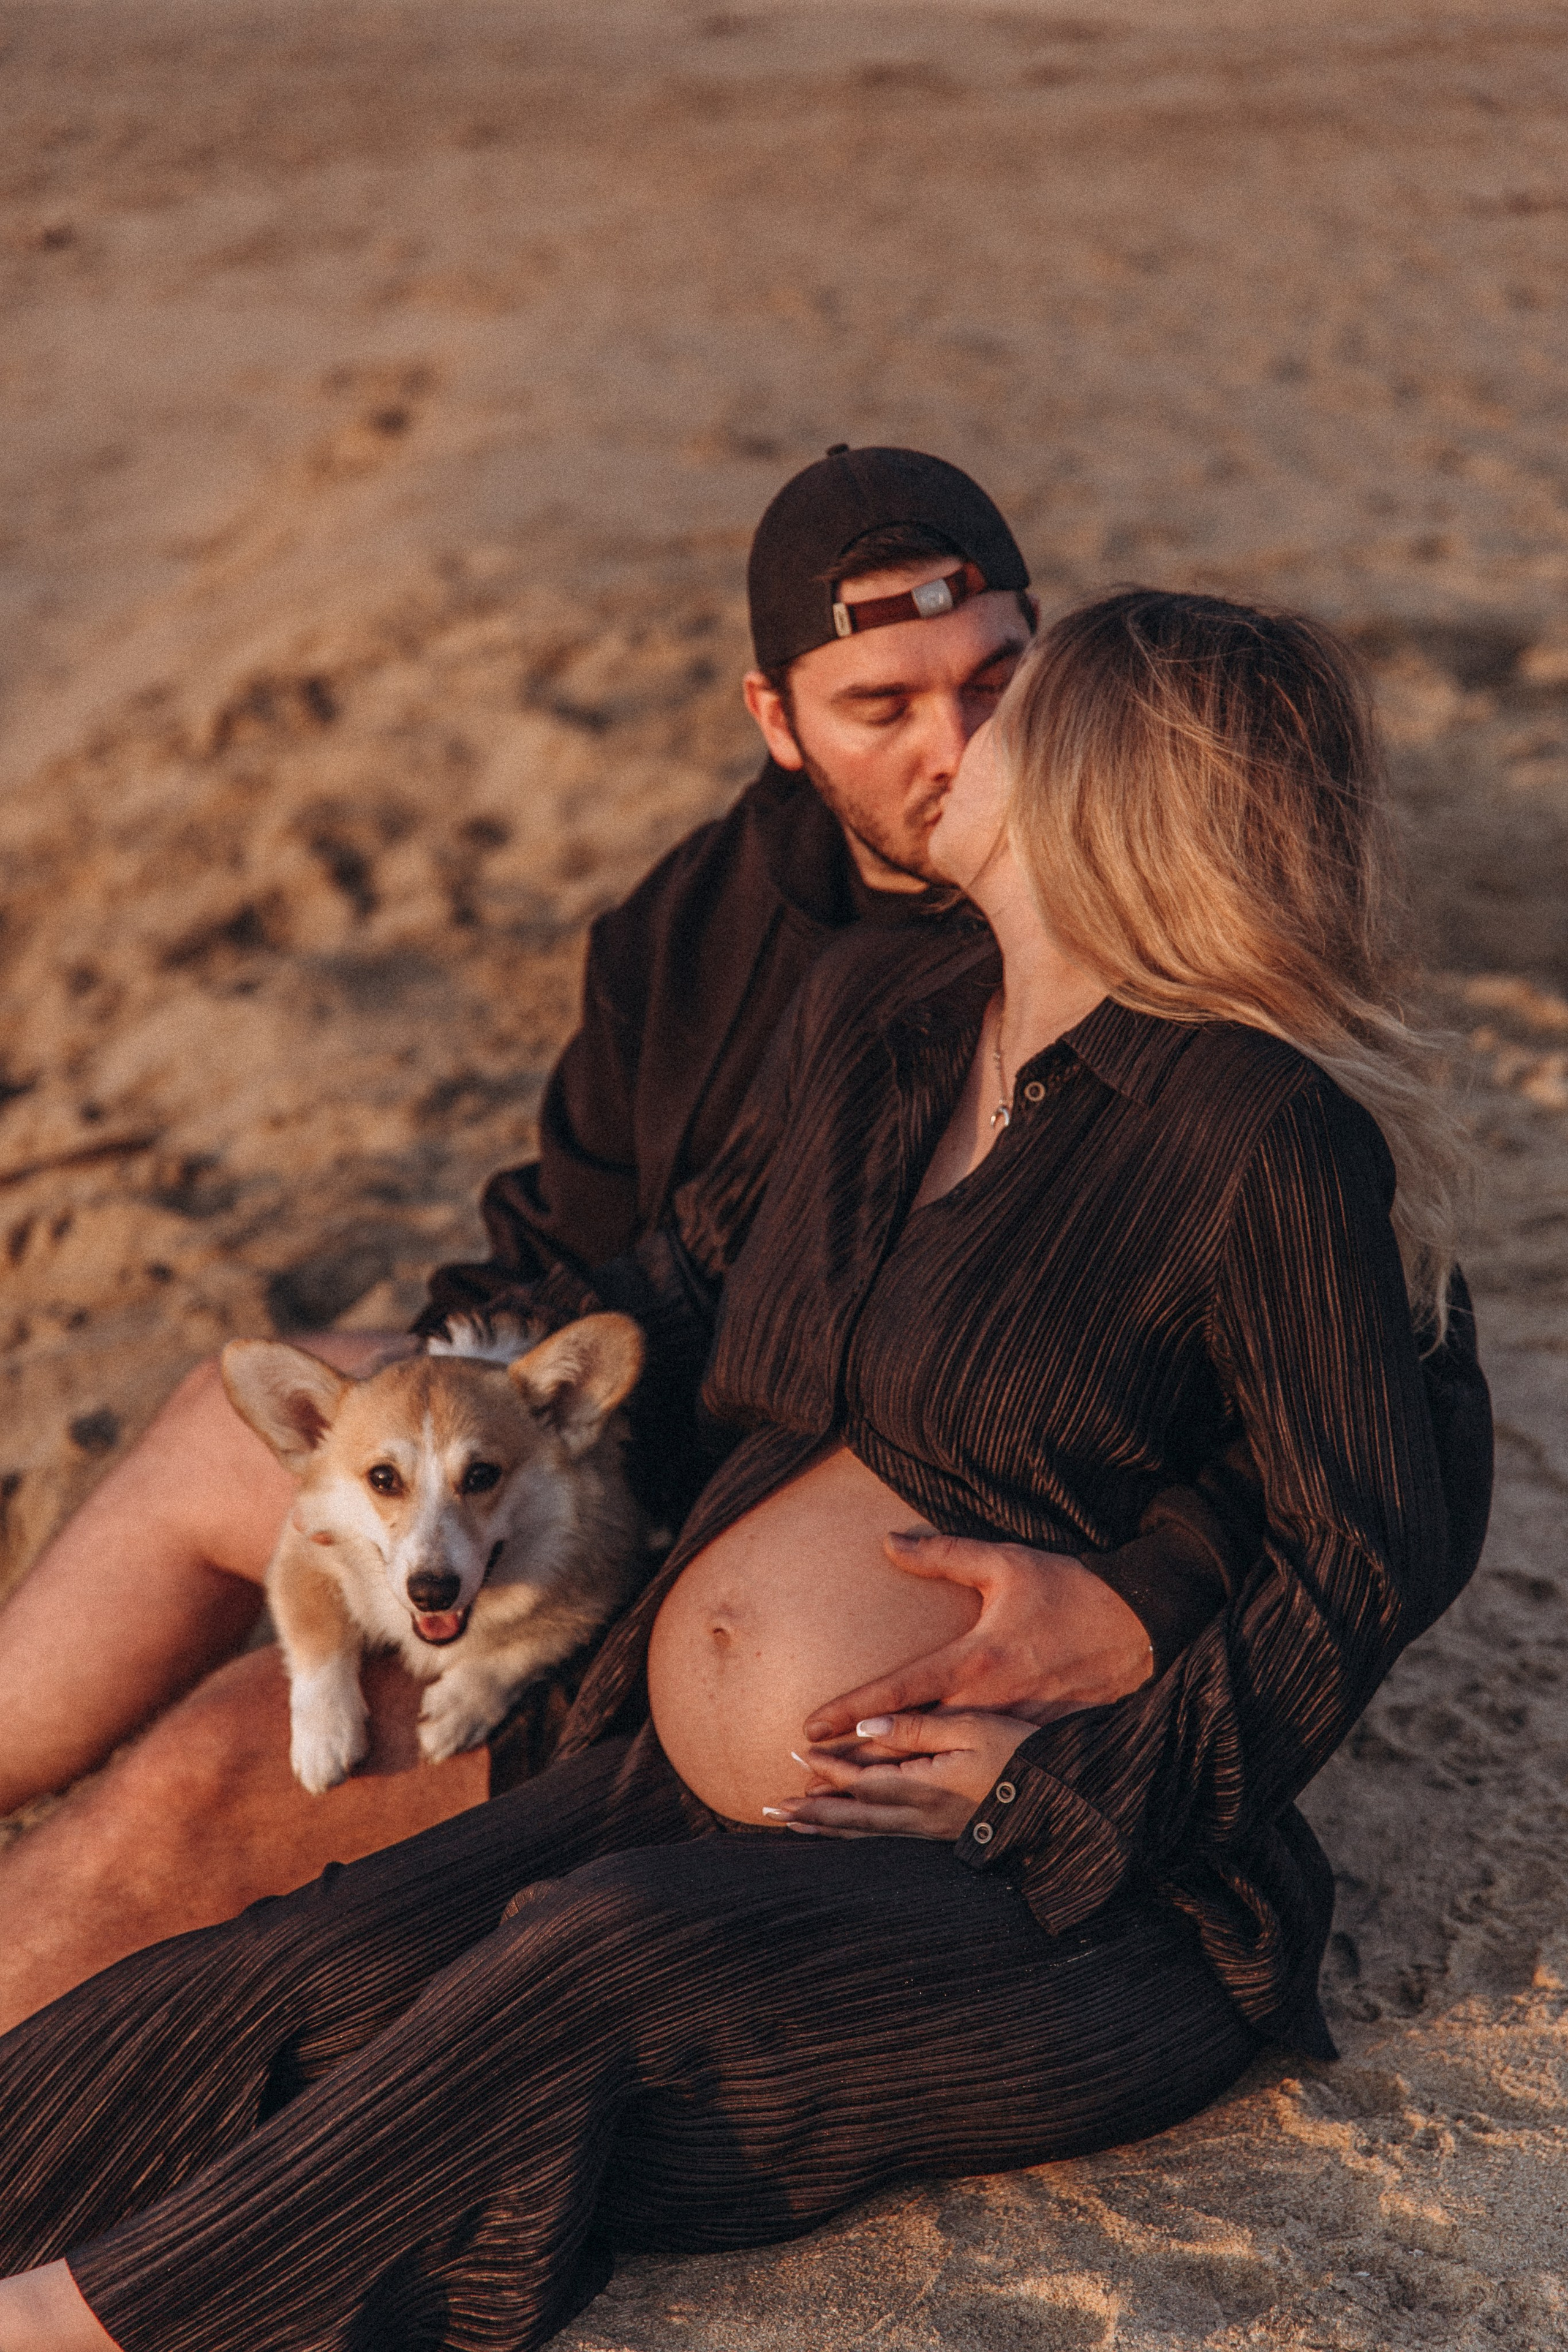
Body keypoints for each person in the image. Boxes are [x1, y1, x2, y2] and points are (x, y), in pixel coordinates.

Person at [0, 589, 1491, 2352]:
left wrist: (1060, 1780)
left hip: (1054, 1896)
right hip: (680, 1778)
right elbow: (679, 1298)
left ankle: (64, 2331)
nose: (955, 744)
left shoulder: (1257, 1130)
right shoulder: (889, 1017)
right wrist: (437, 1400)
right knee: (292, 1969)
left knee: (588, 1952)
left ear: (1095, 782)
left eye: (1007, 707)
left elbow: (1369, 1533)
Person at [0, 454, 1244, 2021]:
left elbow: (1327, 1367)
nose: (959, 747)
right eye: (884, 706)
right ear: (776, 721)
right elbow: (559, 1225)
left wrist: (1153, 1592)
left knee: (202, 1778)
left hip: (735, 1576)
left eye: (997, 679)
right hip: (604, 1437)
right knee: (220, 1427)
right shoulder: (700, 910)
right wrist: (470, 1405)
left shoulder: (1111, 925)